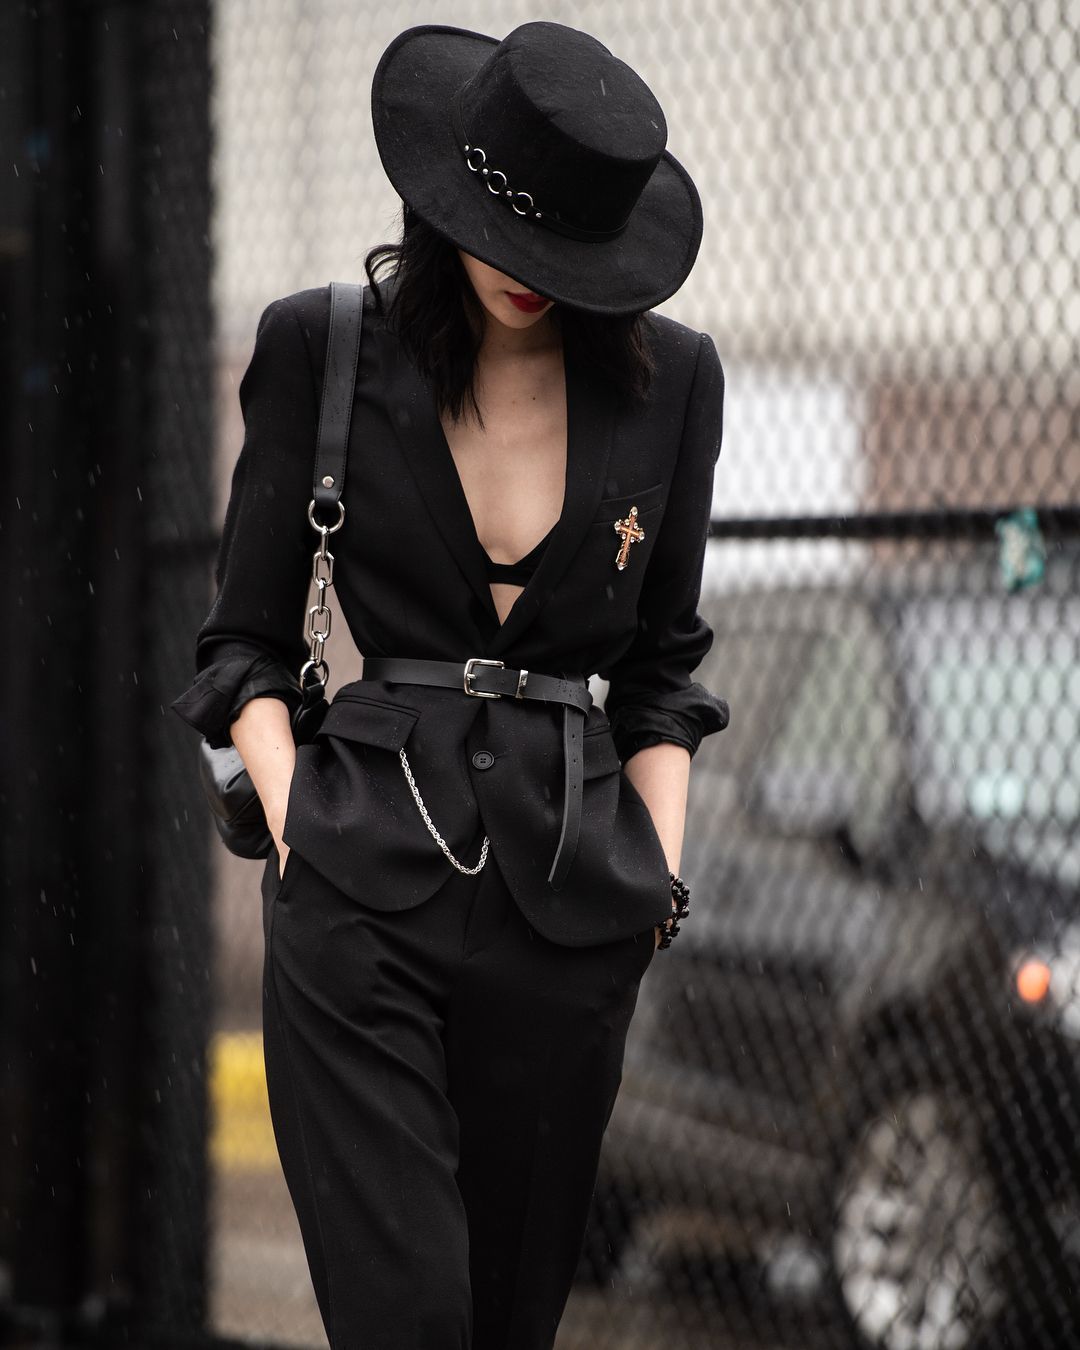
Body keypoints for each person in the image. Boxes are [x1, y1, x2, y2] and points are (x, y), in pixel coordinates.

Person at [171, 19, 729, 1350]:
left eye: (562, 250)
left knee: (504, 1320)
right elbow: (238, 641)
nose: (527, 277)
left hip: (575, 915)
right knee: (411, 1312)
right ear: (442, 191)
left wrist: (655, 877)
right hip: (362, 887)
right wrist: (303, 823)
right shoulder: (323, 348)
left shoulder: (676, 385)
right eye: (502, 229)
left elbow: (664, 669)